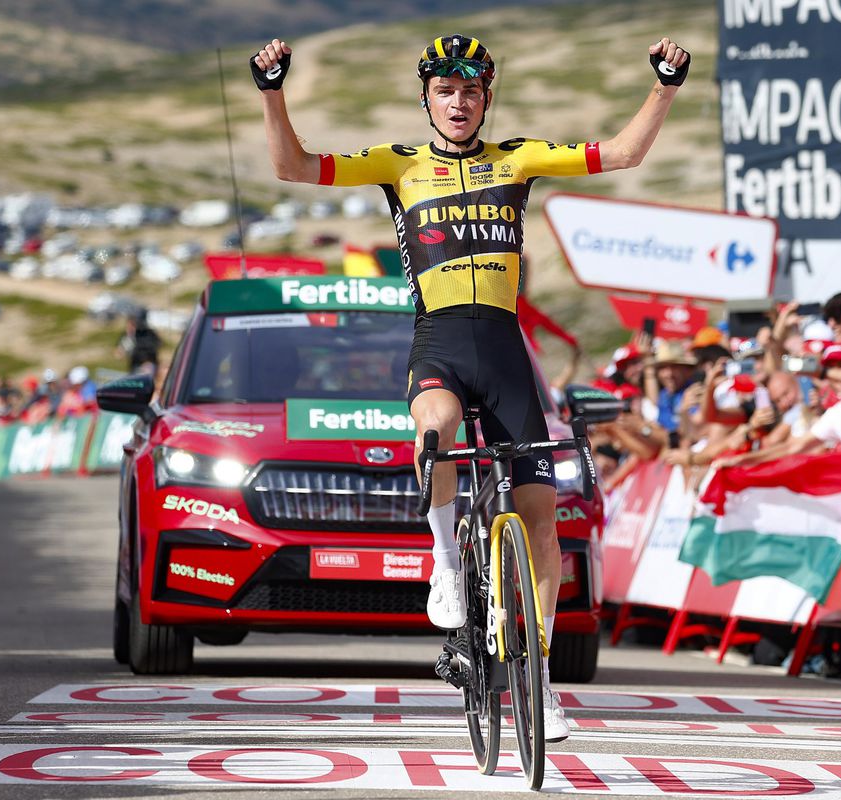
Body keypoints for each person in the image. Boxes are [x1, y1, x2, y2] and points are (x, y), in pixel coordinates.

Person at [253, 30, 691, 741]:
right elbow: (294, 166)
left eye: (471, 92)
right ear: (428, 100)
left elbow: (622, 153)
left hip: (507, 352)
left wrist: (664, 84)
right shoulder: (397, 164)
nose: (459, 103)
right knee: (436, 432)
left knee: (544, 524)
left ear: (487, 98)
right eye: (445, 92)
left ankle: (539, 682)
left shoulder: (518, 158)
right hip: (442, 346)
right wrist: (272, 94)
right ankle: (448, 562)